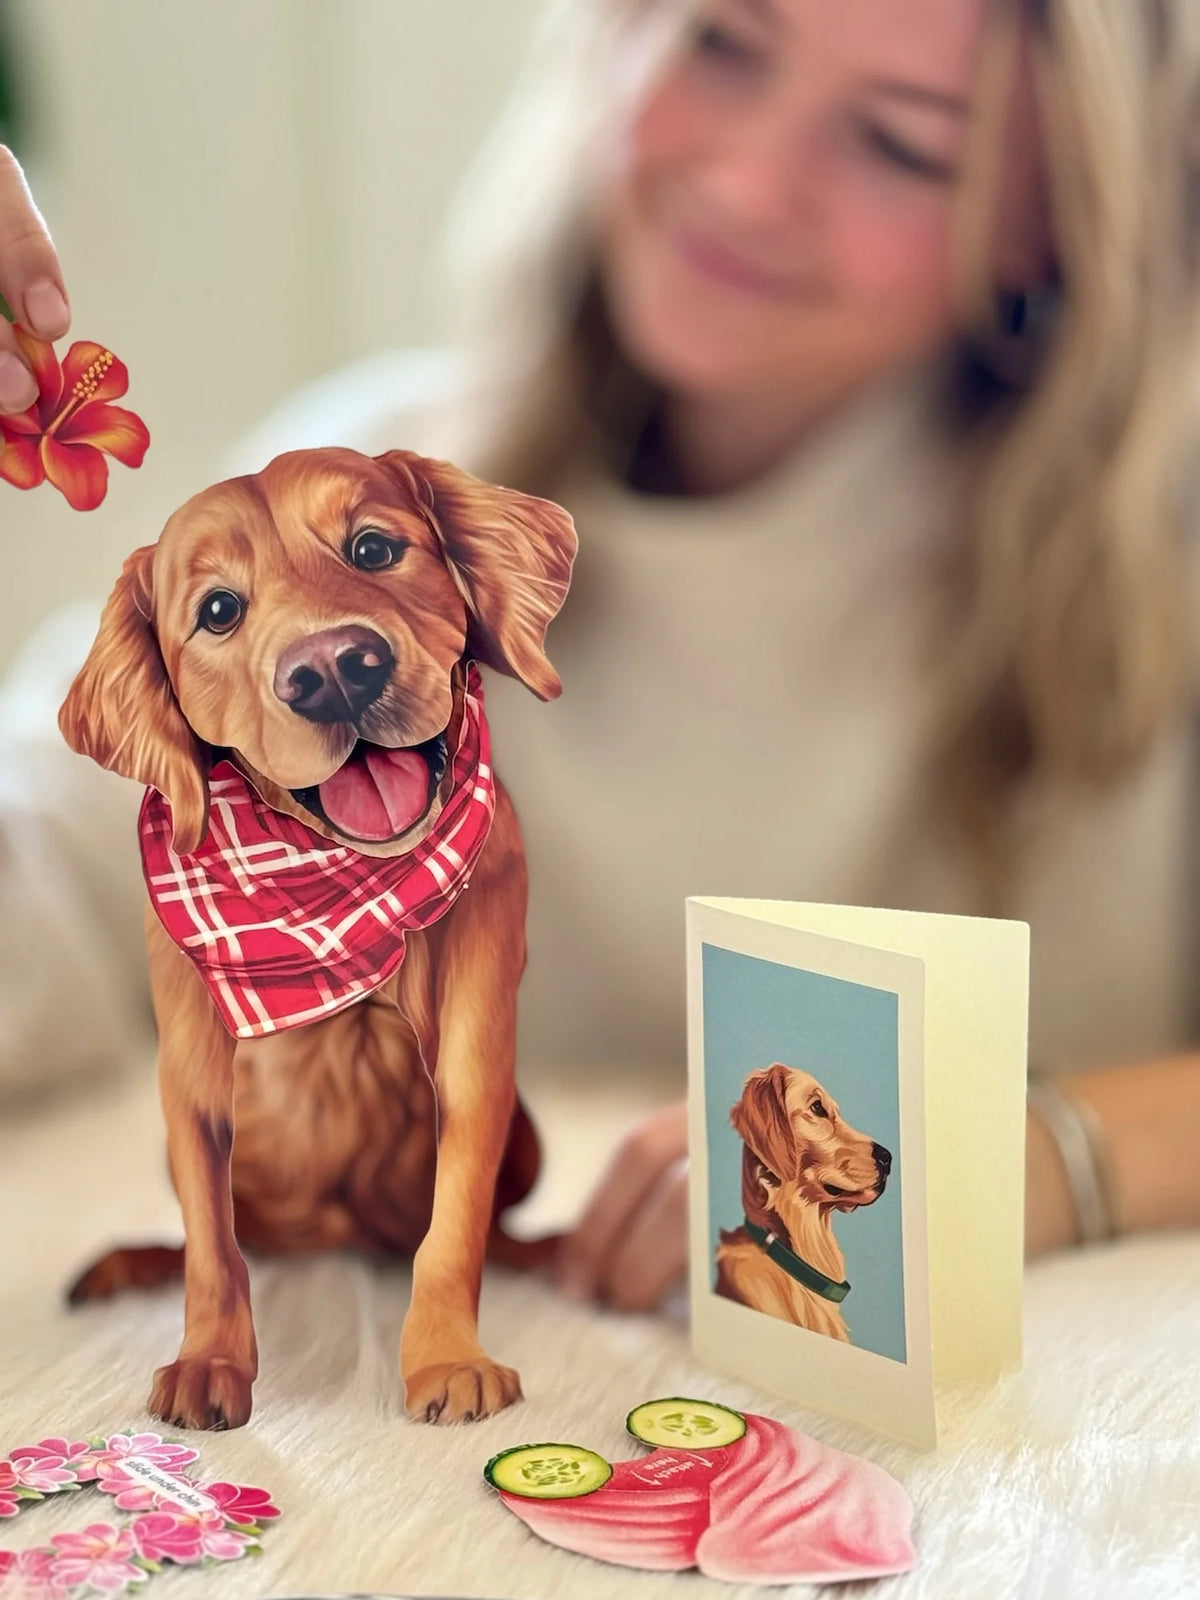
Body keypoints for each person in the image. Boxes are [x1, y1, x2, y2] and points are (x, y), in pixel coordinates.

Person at [2, 0, 1200, 1313]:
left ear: (1051, 212)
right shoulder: (354, 502)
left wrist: (1056, 1154)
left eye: (900, 145)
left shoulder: (1164, 563)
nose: (749, 181)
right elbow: (46, 883)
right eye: (720, 46)